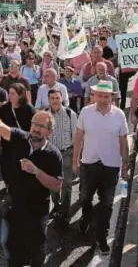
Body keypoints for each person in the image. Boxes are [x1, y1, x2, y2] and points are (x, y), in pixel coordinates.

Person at [0, 92, 62, 266]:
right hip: (13, 205)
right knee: (9, 244)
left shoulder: (53, 155)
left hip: (37, 210)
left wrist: (36, 171)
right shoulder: (19, 137)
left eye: (41, 126)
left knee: (36, 249)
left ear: (49, 131)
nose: (36, 128)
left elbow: (57, 185)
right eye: (34, 123)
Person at [72, 80, 130, 255]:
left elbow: (123, 141)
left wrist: (125, 165)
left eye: (106, 96)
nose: (103, 99)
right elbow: (79, 137)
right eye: (100, 95)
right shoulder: (85, 112)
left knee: (107, 205)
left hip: (111, 167)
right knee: (84, 198)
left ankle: (102, 236)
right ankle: (86, 217)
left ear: (111, 96)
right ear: (94, 95)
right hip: (89, 164)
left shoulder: (119, 115)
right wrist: (75, 160)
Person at [46, 88, 77, 224]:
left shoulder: (71, 114)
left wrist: (77, 157)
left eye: (57, 98)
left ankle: (64, 211)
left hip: (67, 153)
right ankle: (56, 205)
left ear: (62, 98)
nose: (55, 101)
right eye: (52, 98)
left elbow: (76, 137)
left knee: (67, 184)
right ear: (48, 100)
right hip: (51, 155)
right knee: (53, 184)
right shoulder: (44, 116)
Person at [0, 83, 36, 186]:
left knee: (21, 171)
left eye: (13, 93)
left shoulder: (29, 109)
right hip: (6, 145)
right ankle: (10, 189)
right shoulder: (4, 109)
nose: (9, 95)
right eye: (9, 93)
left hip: (23, 146)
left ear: (20, 95)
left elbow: (34, 127)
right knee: (7, 169)